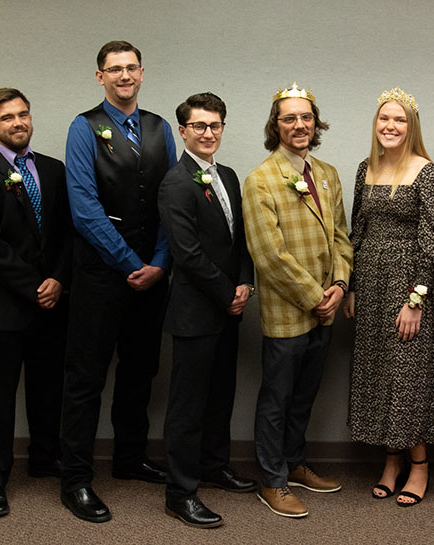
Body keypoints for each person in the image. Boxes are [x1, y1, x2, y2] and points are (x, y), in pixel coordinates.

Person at [59, 40, 177, 523]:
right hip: (102, 276)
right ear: (100, 77)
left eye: (131, 68)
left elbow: (172, 197)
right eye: (114, 70)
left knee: (139, 371)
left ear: (143, 74)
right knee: (86, 380)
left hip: (152, 274)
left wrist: (161, 263)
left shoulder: (160, 127)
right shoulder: (83, 127)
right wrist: (133, 264)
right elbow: (84, 208)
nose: (124, 76)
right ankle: (76, 481)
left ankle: (129, 459)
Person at [0, 88, 72, 517]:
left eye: (23, 114)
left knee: (48, 388)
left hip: (55, 299)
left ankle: (45, 457)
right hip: (8, 302)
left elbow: (66, 234)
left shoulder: (55, 171)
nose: (18, 122)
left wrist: (58, 279)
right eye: (7, 118)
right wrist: (35, 286)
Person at [242, 82, 353, 518]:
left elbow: (342, 237)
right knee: (277, 399)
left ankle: (293, 463)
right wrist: (315, 297)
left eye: (306, 117)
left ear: (315, 122)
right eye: (289, 118)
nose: (299, 125)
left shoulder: (326, 174)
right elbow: (269, 256)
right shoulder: (261, 180)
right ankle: (272, 481)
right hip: (289, 312)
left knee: (305, 395)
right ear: (276, 126)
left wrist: (340, 287)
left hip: (326, 311)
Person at [342, 88, 434, 507]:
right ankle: (390, 461)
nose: (390, 126)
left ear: (412, 126)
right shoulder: (364, 169)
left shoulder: (430, 173)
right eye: (384, 119)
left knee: (410, 375)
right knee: (379, 372)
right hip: (370, 285)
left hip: (409, 287)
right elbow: (358, 231)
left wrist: (416, 299)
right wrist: (351, 285)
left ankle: (419, 466)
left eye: (400, 120)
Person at [158, 92, 258, 529]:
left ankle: (214, 466)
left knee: (221, 393)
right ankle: (181, 492)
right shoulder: (176, 183)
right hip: (196, 311)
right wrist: (226, 292)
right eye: (199, 126)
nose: (208, 133)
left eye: (215, 125)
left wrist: (244, 283)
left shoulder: (230, 176)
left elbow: (240, 241)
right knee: (188, 404)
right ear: (183, 131)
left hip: (229, 305)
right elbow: (188, 253)